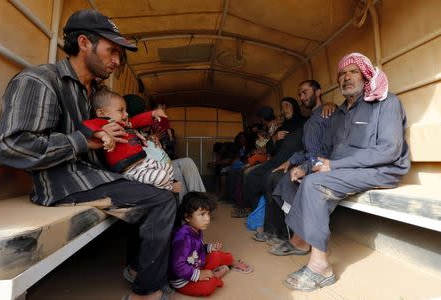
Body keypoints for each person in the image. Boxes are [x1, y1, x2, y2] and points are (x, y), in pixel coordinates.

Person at [0, 9, 175, 300]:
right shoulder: (39, 81)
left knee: (164, 186)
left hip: (93, 175)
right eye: (111, 51)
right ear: (84, 43)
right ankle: (145, 292)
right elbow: (12, 145)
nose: (116, 61)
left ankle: (138, 269)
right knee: (162, 200)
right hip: (61, 183)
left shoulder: (95, 95)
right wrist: (82, 141)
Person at [277, 53, 410, 291]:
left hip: (380, 169)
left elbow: (389, 151)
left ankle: (321, 267)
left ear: (366, 74)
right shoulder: (340, 114)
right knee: (293, 179)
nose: (346, 77)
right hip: (345, 168)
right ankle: (300, 240)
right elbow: (330, 151)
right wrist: (306, 166)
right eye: (342, 74)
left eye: (353, 72)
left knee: (315, 184)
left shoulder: (387, 103)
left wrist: (333, 166)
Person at [255, 80, 332, 251]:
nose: (302, 97)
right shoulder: (309, 121)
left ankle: (296, 236)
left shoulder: (329, 113)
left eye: (305, 92)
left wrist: (305, 165)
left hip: (321, 163)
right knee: (272, 176)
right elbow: (305, 149)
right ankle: (277, 230)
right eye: (300, 94)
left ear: (318, 92)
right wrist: (289, 161)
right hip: (306, 160)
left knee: (283, 180)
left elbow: (327, 149)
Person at [81, 88, 181, 192]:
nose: (127, 114)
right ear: (101, 113)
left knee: (167, 168)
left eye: (126, 110)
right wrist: (103, 135)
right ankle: (169, 187)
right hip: (130, 169)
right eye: (121, 110)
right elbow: (87, 126)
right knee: (160, 176)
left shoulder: (124, 124)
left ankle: (166, 183)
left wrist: (153, 113)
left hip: (144, 161)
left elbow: (137, 120)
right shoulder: (103, 124)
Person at [123, 94, 206, 202]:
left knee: (187, 162)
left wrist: (152, 139)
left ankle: (200, 201)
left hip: (162, 165)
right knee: (179, 176)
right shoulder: (125, 131)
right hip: (151, 171)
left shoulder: (139, 131)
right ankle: (190, 209)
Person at [169, 192, 253, 297]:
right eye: (202, 214)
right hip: (184, 280)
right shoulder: (182, 238)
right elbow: (178, 266)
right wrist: (199, 275)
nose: (207, 218)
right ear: (187, 217)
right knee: (209, 286)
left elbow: (196, 249)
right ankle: (214, 276)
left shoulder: (196, 229)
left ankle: (233, 263)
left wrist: (209, 247)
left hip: (197, 265)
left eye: (208, 213)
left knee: (216, 254)